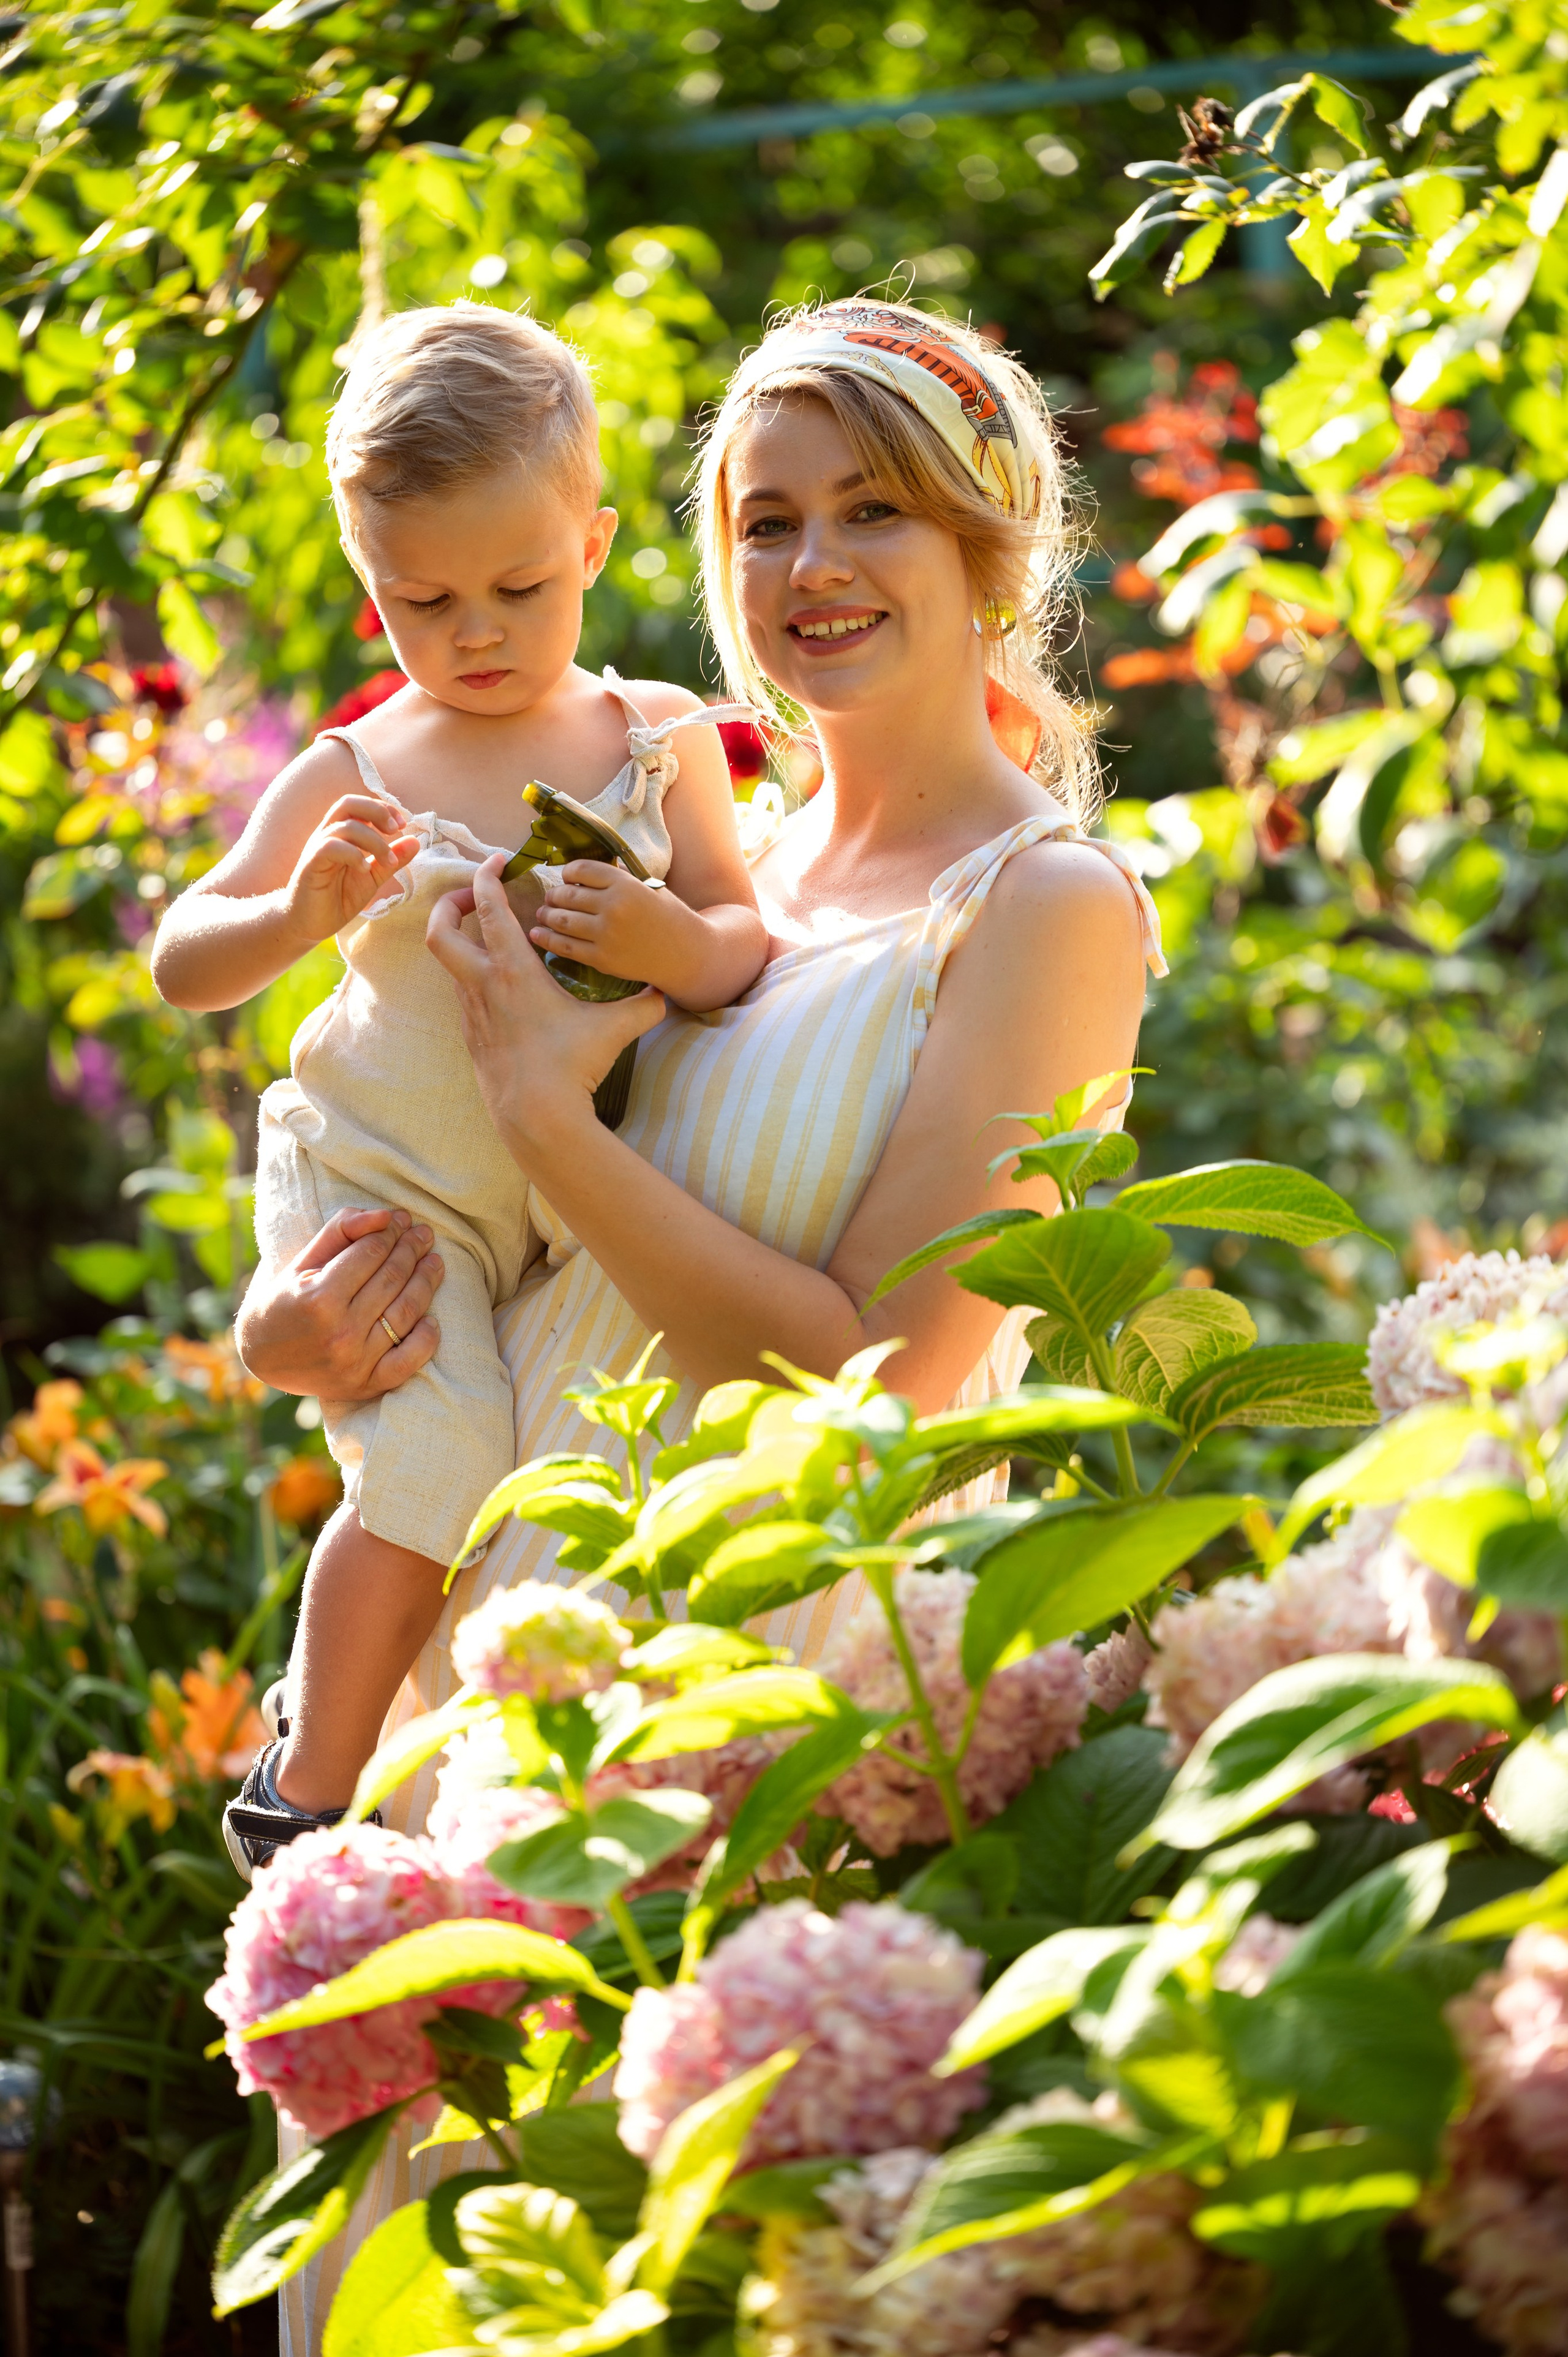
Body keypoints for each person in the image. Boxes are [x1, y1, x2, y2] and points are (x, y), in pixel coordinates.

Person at [233, 296, 1166, 2350]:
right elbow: (480, 1233)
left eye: (873, 515)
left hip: (761, 1728)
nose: (811, 568)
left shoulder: (1042, 904)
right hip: (507, 1670)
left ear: (989, 552)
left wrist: (551, 1112)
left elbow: (878, 1379)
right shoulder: (684, 867)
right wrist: (306, 1345)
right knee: (396, 2287)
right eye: (765, 520)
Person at [151, 303, 768, 1876]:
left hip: (559, 1211)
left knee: (534, 1485)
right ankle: (308, 1788)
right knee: (437, 1463)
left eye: (520, 586)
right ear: (370, 583)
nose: (476, 632)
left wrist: (665, 938)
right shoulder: (360, 773)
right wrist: (295, 912)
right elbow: (183, 955)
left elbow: (742, 938)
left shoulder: (659, 740)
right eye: (421, 599)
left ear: (595, 540)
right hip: (390, 1193)